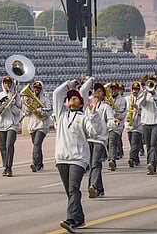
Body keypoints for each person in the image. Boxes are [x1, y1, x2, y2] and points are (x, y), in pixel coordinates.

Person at [53, 79, 102, 233]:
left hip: (78, 159)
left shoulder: (84, 117)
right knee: (70, 191)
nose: (71, 100)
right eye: (70, 98)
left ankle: (72, 220)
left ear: (81, 104)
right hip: (61, 158)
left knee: (74, 189)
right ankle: (79, 218)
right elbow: (56, 93)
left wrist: (94, 115)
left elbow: (94, 132)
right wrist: (70, 84)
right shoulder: (61, 115)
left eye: (75, 98)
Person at [0, 76, 22, 177]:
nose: (7, 85)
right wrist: (2, 103)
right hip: (2, 124)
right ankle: (5, 166)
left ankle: (9, 167)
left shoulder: (16, 96)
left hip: (12, 124)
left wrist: (12, 104)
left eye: (9, 83)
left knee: (9, 145)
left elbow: (18, 111)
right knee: (2, 147)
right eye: (5, 83)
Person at [25, 81, 51, 172]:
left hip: (42, 126)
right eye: (35, 88)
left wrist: (41, 110)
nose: (36, 90)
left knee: (36, 144)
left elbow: (49, 111)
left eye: (38, 88)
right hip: (32, 125)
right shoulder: (30, 99)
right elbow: (26, 113)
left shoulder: (45, 99)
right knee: (37, 146)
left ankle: (35, 164)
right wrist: (28, 106)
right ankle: (40, 163)